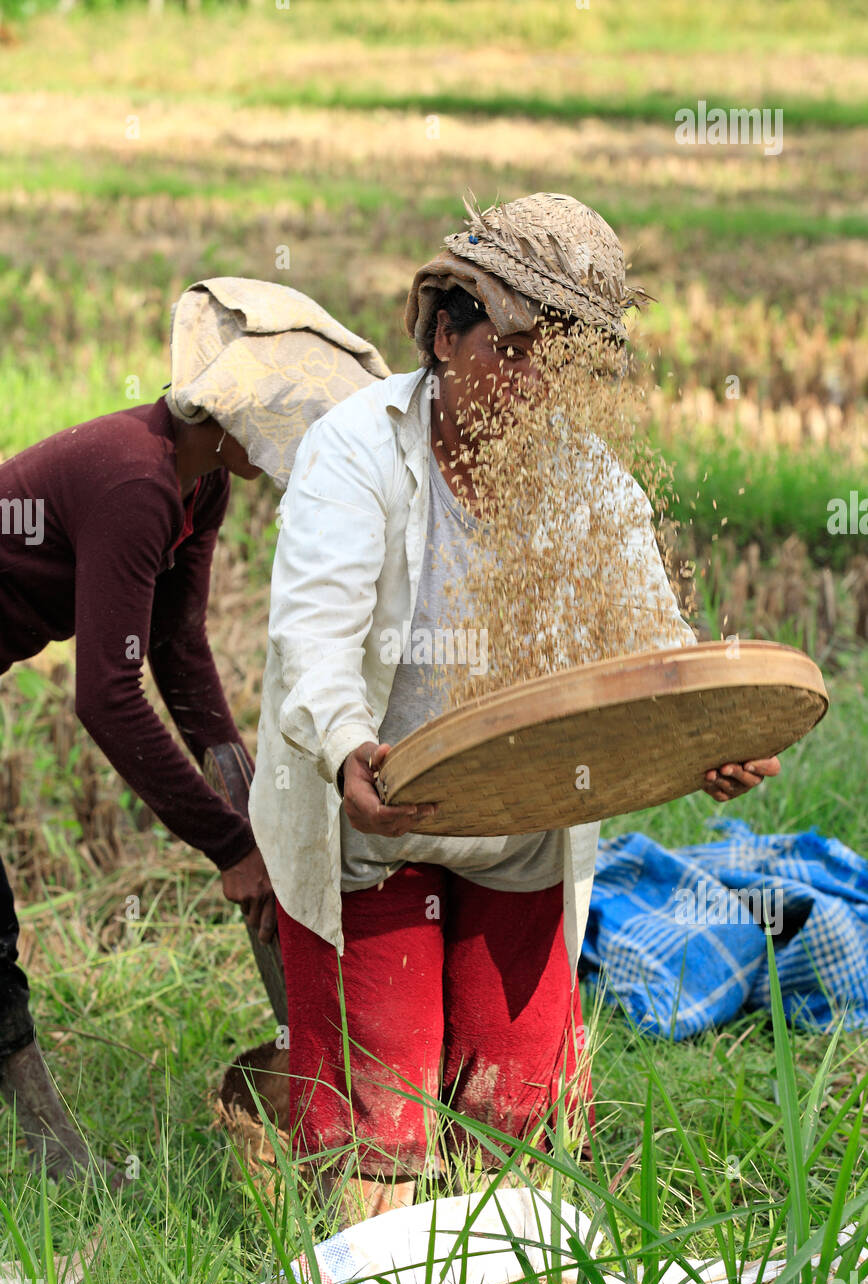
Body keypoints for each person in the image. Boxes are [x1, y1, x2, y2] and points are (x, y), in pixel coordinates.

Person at [248, 193, 781, 1224]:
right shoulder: (355, 451)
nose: (539, 386)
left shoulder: (591, 486)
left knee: (517, 1129)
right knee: (378, 1146)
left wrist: (707, 738)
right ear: (445, 333)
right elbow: (310, 634)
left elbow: (651, 652)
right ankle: (319, 1170)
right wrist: (351, 748)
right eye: (518, 349)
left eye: (564, 362)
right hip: (378, 823)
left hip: (521, 827)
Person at [0, 276, 388, 1184]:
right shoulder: (136, 484)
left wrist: (256, 816)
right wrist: (228, 844)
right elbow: (104, 694)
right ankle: (55, 1159)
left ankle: (320, 1110)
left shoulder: (196, 484)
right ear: (232, 412)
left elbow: (176, 650)